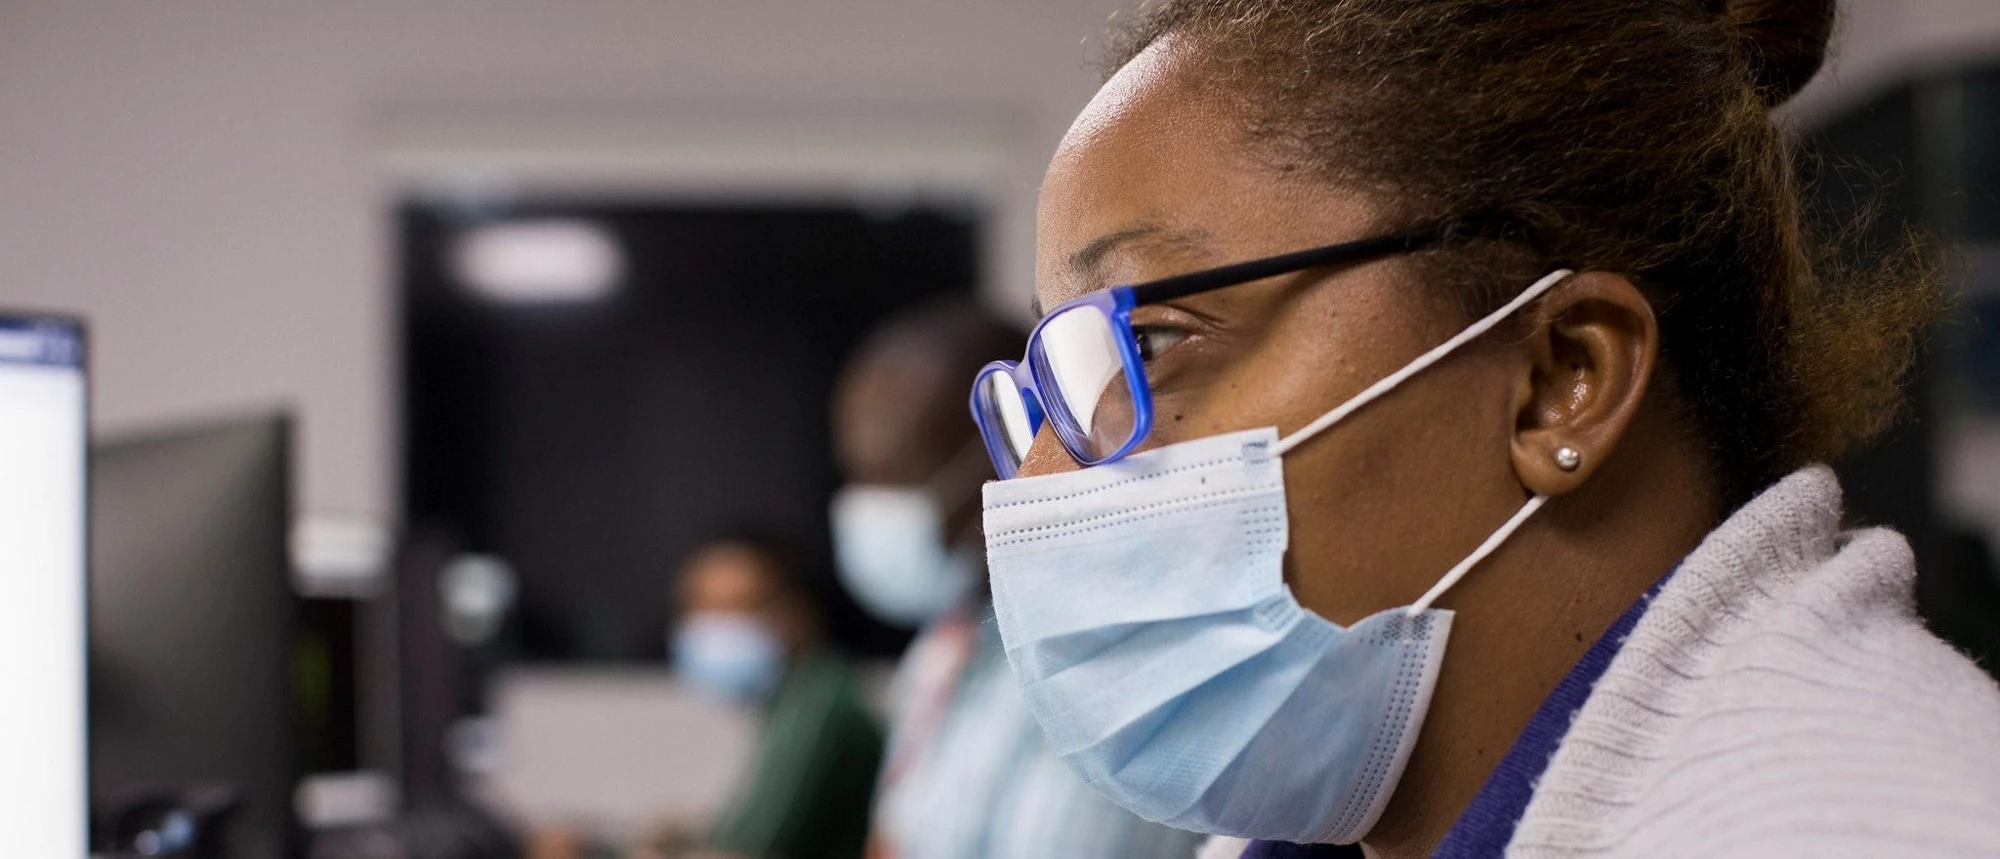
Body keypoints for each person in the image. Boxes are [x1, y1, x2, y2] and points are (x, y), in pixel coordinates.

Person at [967, 1, 2000, 857]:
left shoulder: (1889, 823)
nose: (1048, 472)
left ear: (1561, 378)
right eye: (1059, 377)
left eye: (1148, 344)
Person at [829, 298, 1202, 858]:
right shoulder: (942, 653)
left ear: (1006, 445)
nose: (872, 505)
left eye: (897, 476)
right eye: (860, 475)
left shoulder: (1118, 662)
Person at [669, 533, 883, 859]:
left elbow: (747, 848)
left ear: (797, 614)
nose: (717, 627)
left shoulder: (820, 707)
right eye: (702, 609)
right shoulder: (791, 701)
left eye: (737, 608)